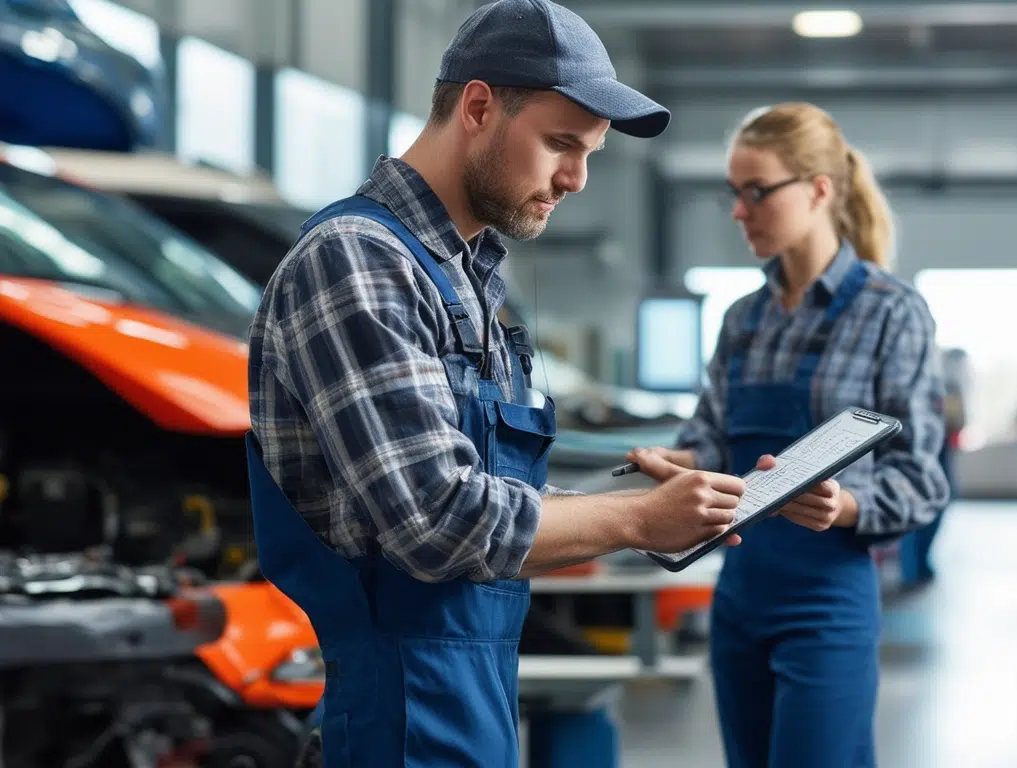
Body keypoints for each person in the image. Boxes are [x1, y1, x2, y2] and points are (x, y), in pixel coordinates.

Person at [245, 2, 753, 766]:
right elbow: (437, 521)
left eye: (590, 154)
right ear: (479, 106)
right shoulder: (356, 263)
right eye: (559, 144)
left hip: (472, 703)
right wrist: (636, 520)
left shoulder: (465, 278)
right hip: (401, 719)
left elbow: (485, 500)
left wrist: (655, 510)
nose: (577, 179)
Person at [627, 102, 950, 768]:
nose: (739, 211)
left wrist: (845, 505)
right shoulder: (744, 318)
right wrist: (673, 460)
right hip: (739, 596)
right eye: (733, 195)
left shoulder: (892, 314)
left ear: (819, 190)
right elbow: (714, 439)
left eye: (756, 191)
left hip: (826, 603)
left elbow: (921, 480)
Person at [898, 347, 967, 586]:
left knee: (935, 508)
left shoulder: (949, 388)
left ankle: (922, 563)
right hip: (914, 456)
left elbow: (959, 422)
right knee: (912, 511)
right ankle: (911, 570)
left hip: (940, 455)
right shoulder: (908, 383)